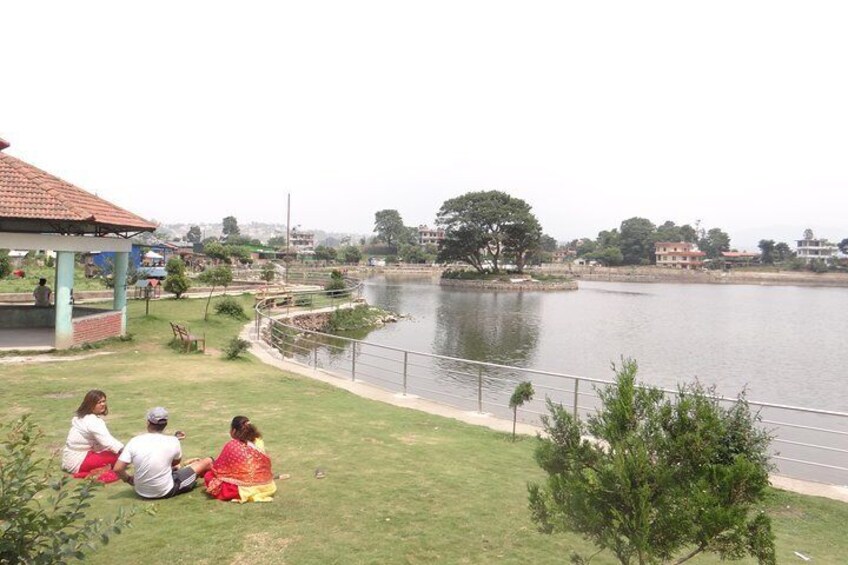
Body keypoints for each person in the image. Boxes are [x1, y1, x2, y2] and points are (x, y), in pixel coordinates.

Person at [113, 407, 213, 499]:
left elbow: (118, 468)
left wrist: (129, 479)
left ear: (148, 422)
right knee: (208, 461)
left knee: (181, 467)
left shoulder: (134, 441)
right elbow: (174, 463)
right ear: (166, 424)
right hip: (165, 491)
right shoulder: (173, 441)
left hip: (140, 491)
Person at [204, 416, 277, 503]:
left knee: (209, 475)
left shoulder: (232, 445)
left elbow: (218, 468)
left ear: (234, 431)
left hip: (244, 489)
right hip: (267, 485)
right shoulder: (258, 441)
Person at [61, 390, 124, 483]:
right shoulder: (93, 421)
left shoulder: (81, 417)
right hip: (79, 461)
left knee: (112, 453)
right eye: (99, 402)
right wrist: (127, 451)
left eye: (104, 401)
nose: (103, 404)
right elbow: (108, 442)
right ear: (90, 404)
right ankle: (85, 474)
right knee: (120, 458)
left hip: (69, 460)